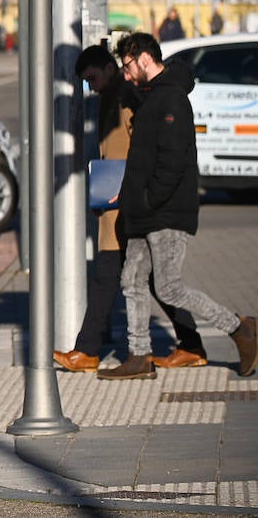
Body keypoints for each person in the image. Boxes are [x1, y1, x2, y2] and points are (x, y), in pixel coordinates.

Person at [97, 32, 256, 380]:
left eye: (127, 67)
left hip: (165, 212)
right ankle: (139, 356)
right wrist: (129, 199)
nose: (125, 74)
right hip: (143, 211)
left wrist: (149, 199)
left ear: (143, 59)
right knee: (133, 280)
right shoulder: (151, 97)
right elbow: (143, 160)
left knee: (168, 287)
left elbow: (171, 162)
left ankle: (240, 328)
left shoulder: (170, 100)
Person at [54, 44, 206, 373]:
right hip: (120, 197)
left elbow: (144, 148)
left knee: (110, 275)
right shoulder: (115, 95)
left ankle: (88, 350)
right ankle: (191, 345)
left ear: (110, 68)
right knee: (147, 280)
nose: (90, 86)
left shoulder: (128, 96)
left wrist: (129, 192)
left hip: (127, 199)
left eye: (92, 78)